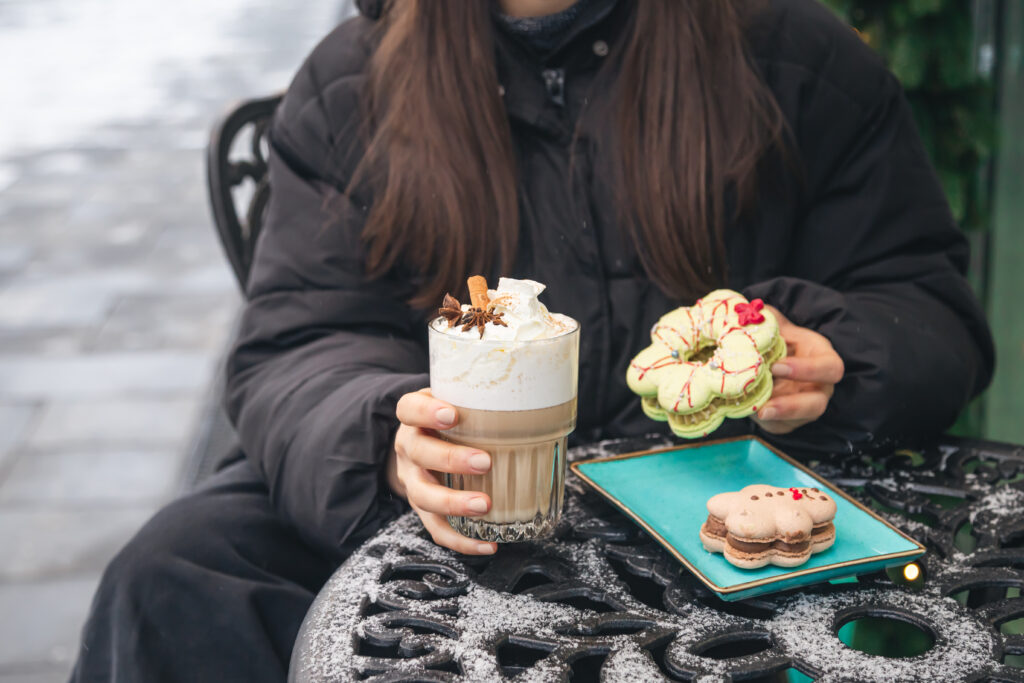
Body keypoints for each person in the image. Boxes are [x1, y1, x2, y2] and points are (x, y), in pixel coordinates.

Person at [70, 0, 994, 680]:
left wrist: (840, 355)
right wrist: (385, 435)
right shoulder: (354, 87)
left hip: (705, 517)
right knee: (174, 569)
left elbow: (926, 308)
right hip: (439, 517)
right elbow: (298, 340)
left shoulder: (795, 59)